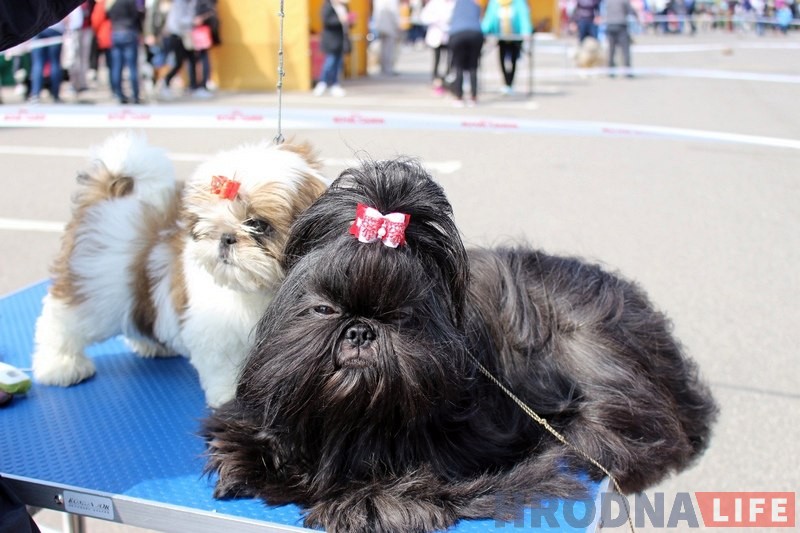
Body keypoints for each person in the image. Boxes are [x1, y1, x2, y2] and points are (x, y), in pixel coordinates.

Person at [481, 0, 532, 95]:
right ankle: (506, 82)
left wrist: (526, 31)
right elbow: (489, 19)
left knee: (513, 60)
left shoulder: (519, 2)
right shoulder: (495, 3)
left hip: (515, 37)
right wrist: (483, 31)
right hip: (501, 37)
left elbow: (523, 17)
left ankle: (510, 83)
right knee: (501, 59)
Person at [106, 0, 144, 104]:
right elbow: (137, 16)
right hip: (128, 32)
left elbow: (107, 15)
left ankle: (118, 94)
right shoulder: (130, 2)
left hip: (116, 33)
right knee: (132, 66)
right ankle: (135, 95)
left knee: (117, 66)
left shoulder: (111, 3)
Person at [447, 0, 484, 107]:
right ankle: (474, 97)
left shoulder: (455, 3)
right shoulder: (476, 3)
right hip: (475, 33)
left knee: (458, 66)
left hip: (457, 33)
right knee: (473, 65)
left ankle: (459, 97)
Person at [314, 0, 351, 97]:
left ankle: (335, 84)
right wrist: (340, 20)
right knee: (330, 62)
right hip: (331, 40)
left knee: (338, 64)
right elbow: (326, 20)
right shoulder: (328, 6)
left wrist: (350, 21)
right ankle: (322, 82)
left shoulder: (344, 7)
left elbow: (348, 24)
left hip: (341, 40)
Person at [28, 15, 68, 103]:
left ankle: (35, 94)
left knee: (38, 62)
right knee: (55, 62)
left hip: (37, 27)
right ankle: (55, 94)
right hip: (56, 27)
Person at [420, 0, 455, 96]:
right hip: (436, 36)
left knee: (450, 62)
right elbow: (424, 17)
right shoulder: (434, 3)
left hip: (449, 36)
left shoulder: (454, 3)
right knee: (437, 61)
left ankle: (448, 82)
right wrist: (437, 19)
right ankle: (436, 82)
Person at [604, 0, 637, 77]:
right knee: (625, 50)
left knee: (611, 51)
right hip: (621, 25)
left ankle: (611, 71)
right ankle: (627, 71)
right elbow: (630, 10)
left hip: (610, 25)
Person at [372, 0, 401, 75]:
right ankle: (388, 68)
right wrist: (397, 25)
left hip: (381, 26)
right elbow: (394, 13)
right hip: (389, 27)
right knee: (389, 49)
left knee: (383, 48)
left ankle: (383, 67)